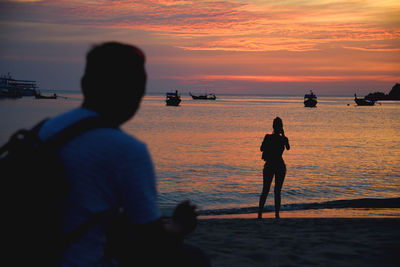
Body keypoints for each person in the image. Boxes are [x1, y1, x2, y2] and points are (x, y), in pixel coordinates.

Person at [38, 42, 210, 266]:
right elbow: (152, 241)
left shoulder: (45, 130)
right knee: (194, 258)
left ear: (84, 84)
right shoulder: (127, 150)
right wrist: (179, 225)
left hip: (33, 253)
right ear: (138, 92)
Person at [258, 117, 290, 219]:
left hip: (270, 165)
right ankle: (277, 214)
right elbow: (288, 147)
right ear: (281, 127)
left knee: (265, 190)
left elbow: (261, 148)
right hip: (280, 165)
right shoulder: (283, 139)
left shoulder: (268, 137)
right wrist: (283, 135)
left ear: (273, 126)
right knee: (277, 191)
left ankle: (260, 214)